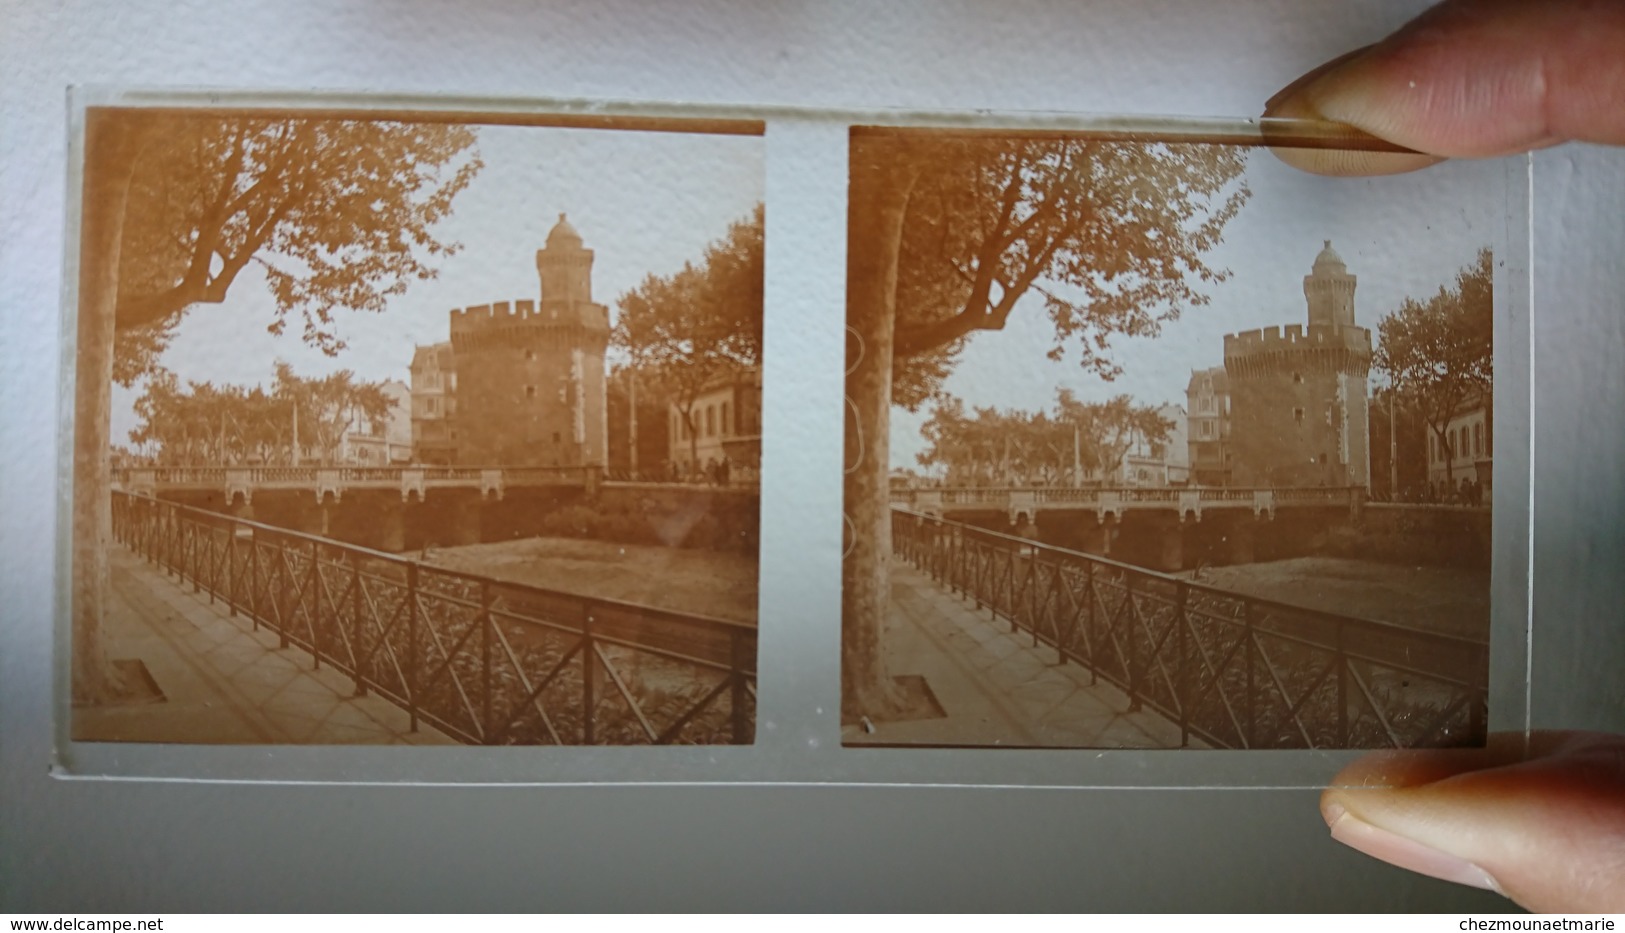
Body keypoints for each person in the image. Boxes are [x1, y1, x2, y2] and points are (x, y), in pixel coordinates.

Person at [1265, 0, 1625, 912]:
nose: (1328, 301)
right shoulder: (1310, 352)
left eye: (1331, 291)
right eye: (1326, 291)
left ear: (1333, 296)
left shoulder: (1338, 346)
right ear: (1322, 296)